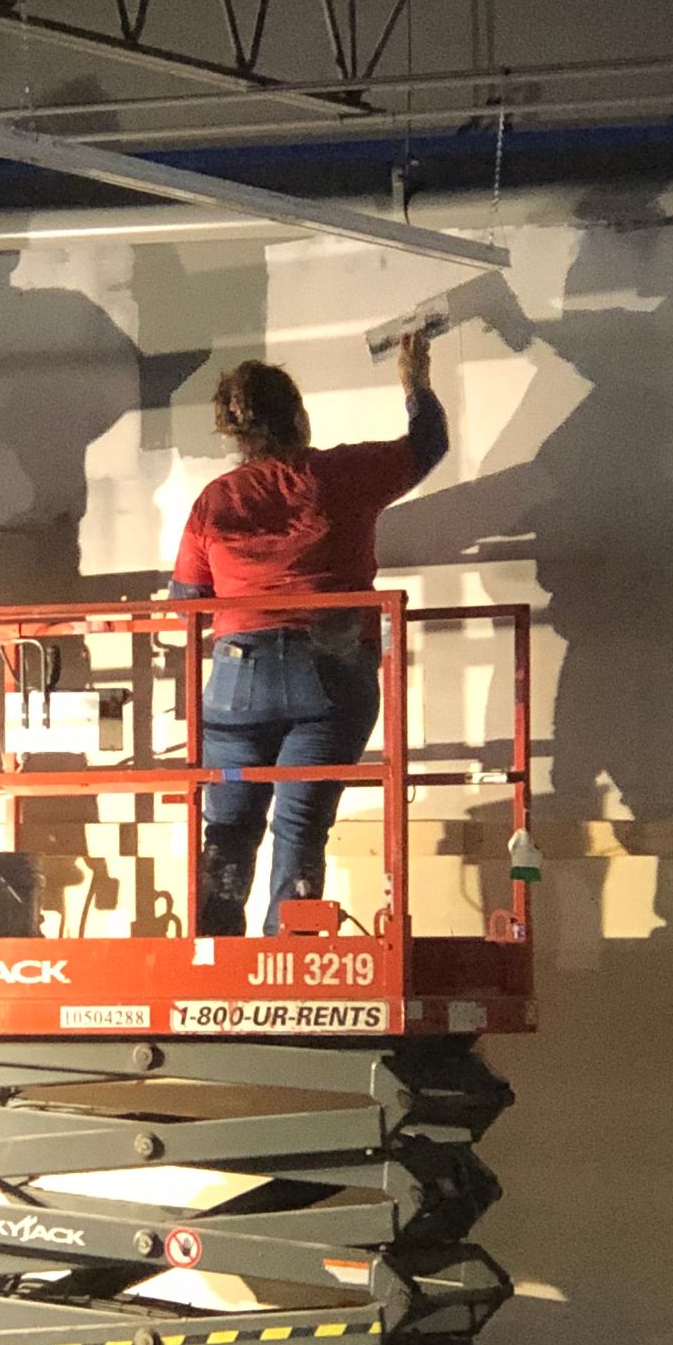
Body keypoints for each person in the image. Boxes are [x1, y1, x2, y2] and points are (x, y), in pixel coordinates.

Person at [170, 331, 449, 935]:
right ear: (297, 416)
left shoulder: (215, 501)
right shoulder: (342, 475)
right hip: (330, 672)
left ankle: (213, 957)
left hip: (237, 683)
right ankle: (288, 957)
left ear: (235, 431)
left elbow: (186, 603)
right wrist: (414, 377)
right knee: (299, 826)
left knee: (228, 830)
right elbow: (428, 444)